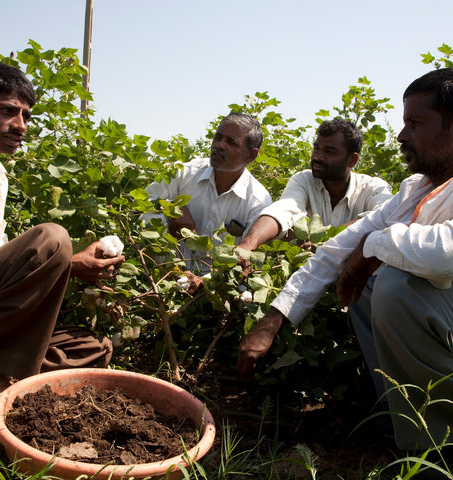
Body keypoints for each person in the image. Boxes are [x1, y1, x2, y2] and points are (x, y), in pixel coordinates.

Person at [237, 68, 453, 451]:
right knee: (366, 285)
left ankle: (434, 446)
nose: (401, 136)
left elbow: (442, 254)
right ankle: (399, 415)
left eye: (415, 124)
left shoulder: (380, 190)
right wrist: (272, 321)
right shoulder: (413, 191)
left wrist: (371, 246)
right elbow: (335, 251)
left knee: (396, 285)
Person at [0, 61, 125, 407]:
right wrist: (63, 262)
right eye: (8, 111)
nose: (20, 126)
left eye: (26, 116)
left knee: (93, 348)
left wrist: (67, 266)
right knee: (52, 239)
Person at [237, 118, 392, 251]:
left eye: (329, 152)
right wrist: (249, 243)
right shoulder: (304, 180)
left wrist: (326, 241)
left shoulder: (374, 188)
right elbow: (284, 210)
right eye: (317, 148)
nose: (318, 157)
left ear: (352, 160)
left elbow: (381, 218)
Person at [145, 112, 272, 274]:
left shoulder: (258, 201)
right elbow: (141, 205)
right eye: (218, 138)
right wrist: (170, 209)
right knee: (155, 217)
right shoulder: (183, 173)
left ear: (251, 155)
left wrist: (206, 284)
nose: (219, 145)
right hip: (164, 275)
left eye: (231, 142)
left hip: (214, 288)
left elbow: (246, 264)